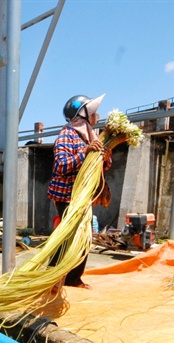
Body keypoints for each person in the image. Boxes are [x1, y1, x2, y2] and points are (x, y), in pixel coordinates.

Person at [48, 94, 112, 289]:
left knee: (84, 237)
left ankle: (74, 279)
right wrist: (84, 152)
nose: (97, 115)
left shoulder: (90, 136)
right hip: (66, 196)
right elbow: (61, 165)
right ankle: (50, 278)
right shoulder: (66, 135)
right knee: (68, 237)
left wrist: (106, 158)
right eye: (93, 112)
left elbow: (98, 166)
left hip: (83, 196)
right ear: (83, 115)